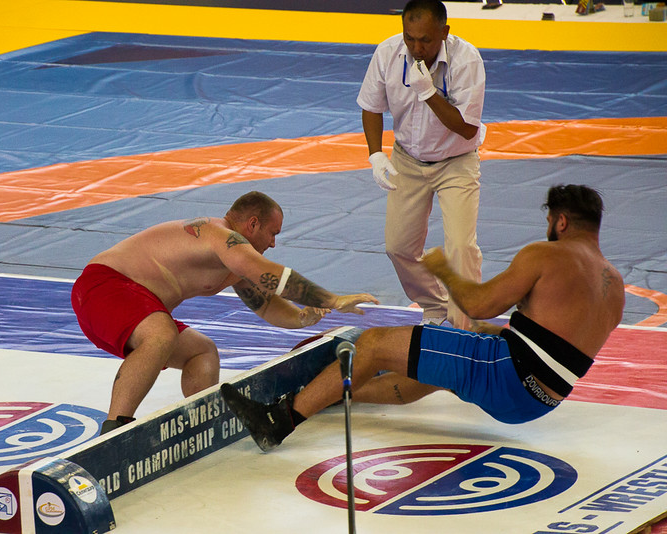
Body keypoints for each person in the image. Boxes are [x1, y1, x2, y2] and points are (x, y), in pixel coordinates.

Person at [222, 185, 625, 451]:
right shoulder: (616, 285)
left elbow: (479, 305)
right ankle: (333, 391)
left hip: (505, 374)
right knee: (431, 371)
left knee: (375, 345)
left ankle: (278, 420)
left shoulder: (548, 253)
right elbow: (549, 344)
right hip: (539, 402)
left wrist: (443, 269)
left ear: (561, 221)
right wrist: (491, 334)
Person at [71, 191, 380, 434]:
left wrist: (302, 317)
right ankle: (115, 427)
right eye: (273, 233)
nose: (273, 243)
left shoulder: (234, 262)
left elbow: (267, 303)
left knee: (202, 352)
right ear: (252, 224)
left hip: (126, 302)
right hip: (103, 287)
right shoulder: (220, 236)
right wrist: (333, 299)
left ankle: (198, 422)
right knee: (161, 332)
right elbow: (269, 273)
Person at [358, 0, 486, 329]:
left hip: (456, 160)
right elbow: (371, 106)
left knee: (460, 246)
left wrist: (428, 92)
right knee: (398, 246)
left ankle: (464, 325)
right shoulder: (387, 53)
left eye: (425, 40)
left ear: (444, 32)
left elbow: (467, 127)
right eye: (409, 38)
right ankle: (434, 304)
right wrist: (376, 154)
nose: (416, 48)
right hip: (407, 158)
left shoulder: (467, 59)